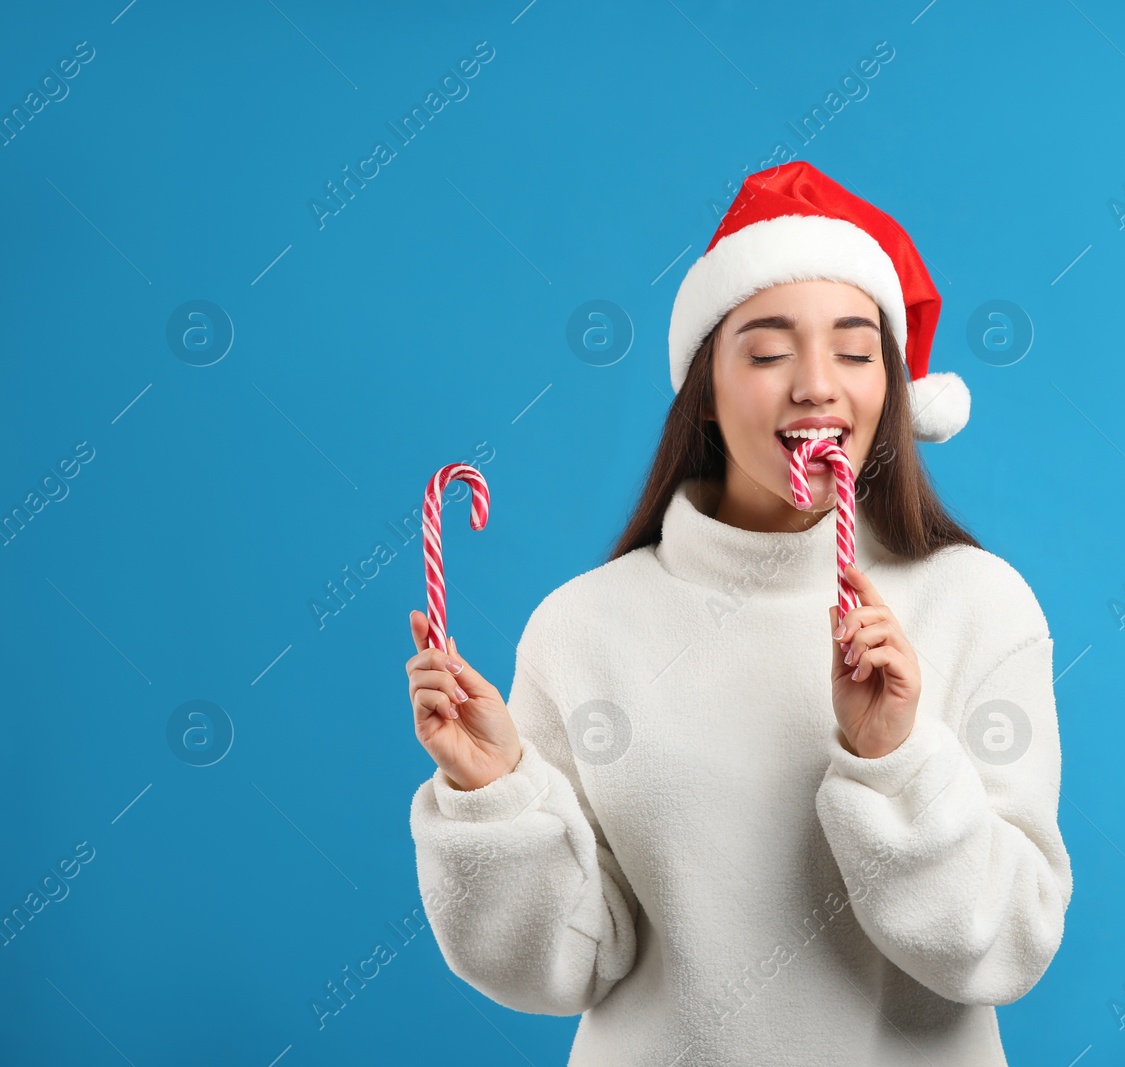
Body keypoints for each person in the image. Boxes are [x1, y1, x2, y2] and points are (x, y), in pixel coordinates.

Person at [406, 161, 1072, 1065]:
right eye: (766, 352)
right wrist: (495, 799)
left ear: (892, 386)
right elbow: (559, 969)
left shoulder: (977, 603)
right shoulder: (581, 629)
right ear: (707, 391)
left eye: (853, 349)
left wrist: (897, 760)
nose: (816, 385)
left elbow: (1004, 945)